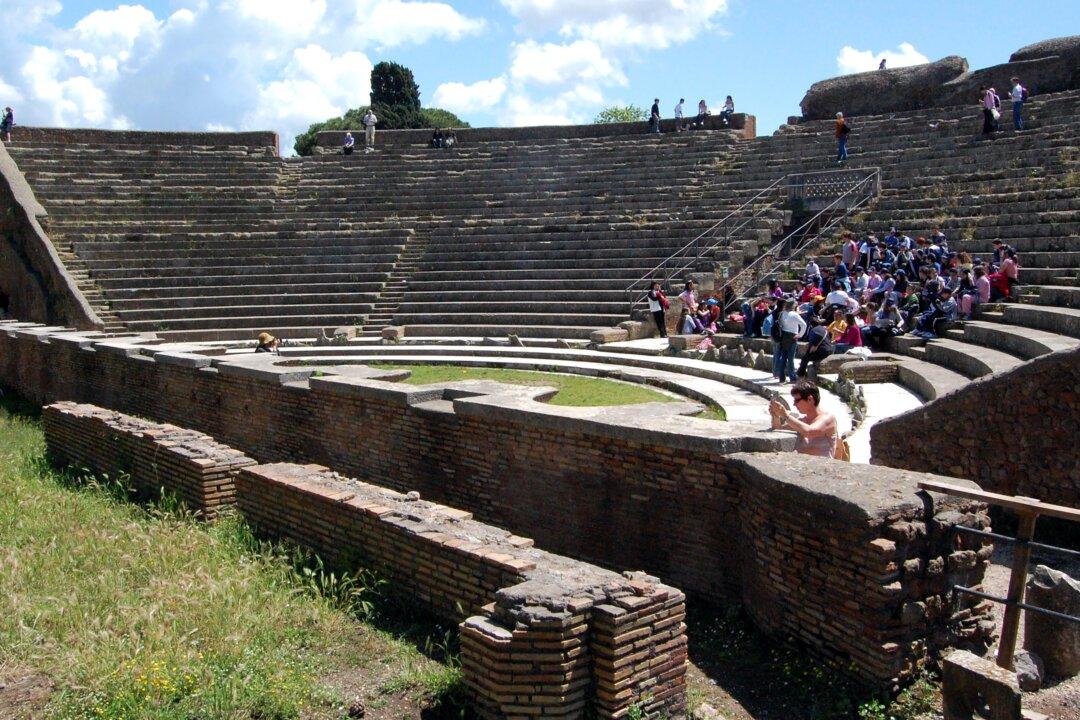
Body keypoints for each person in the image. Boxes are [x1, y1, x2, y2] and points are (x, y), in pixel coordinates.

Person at [769, 380, 840, 458]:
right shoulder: (802, 421)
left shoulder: (829, 418)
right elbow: (778, 428)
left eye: (797, 400)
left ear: (810, 399)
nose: (794, 404)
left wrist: (785, 415)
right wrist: (775, 414)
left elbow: (809, 432)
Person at [777, 299, 806, 384]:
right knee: (790, 358)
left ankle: (781, 378)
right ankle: (792, 377)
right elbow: (804, 324)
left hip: (784, 336)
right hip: (792, 336)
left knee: (783, 357)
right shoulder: (794, 314)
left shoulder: (782, 313)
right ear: (793, 305)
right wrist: (800, 335)